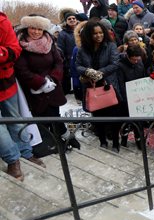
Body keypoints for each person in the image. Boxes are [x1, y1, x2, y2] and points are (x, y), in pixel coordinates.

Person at [15, 15, 80, 152]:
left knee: (55, 114)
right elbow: (21, 69)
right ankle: (49, 144)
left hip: (52, 87)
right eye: (33, 28)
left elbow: (58, 62)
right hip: (34, 90)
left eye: (39, 29)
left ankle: (62, 140)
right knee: (41, 118)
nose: (36, 32)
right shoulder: (20, 45)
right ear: (27, 28)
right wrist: (40, 83)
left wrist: (52, 79)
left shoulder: (49, 42)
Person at [1, 12, 45, 181]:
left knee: (14, 118)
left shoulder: (1, 22)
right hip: (9, 79)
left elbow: (13, 50)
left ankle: (25, 153)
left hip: (5, 81)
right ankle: (13, 160)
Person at [76, 19, 122, 152]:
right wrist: (87, 71)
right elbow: (77, 65)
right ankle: (102, 140)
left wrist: (100, 73)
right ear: (89, 35)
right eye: (95, 33)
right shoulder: (82, 49)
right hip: (92, 88)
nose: (98, 36)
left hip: (108, 86)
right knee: (97, 117)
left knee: (114, 117)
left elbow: (115, 64)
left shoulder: (110, 46)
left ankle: (115, 142)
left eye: (101, 32)